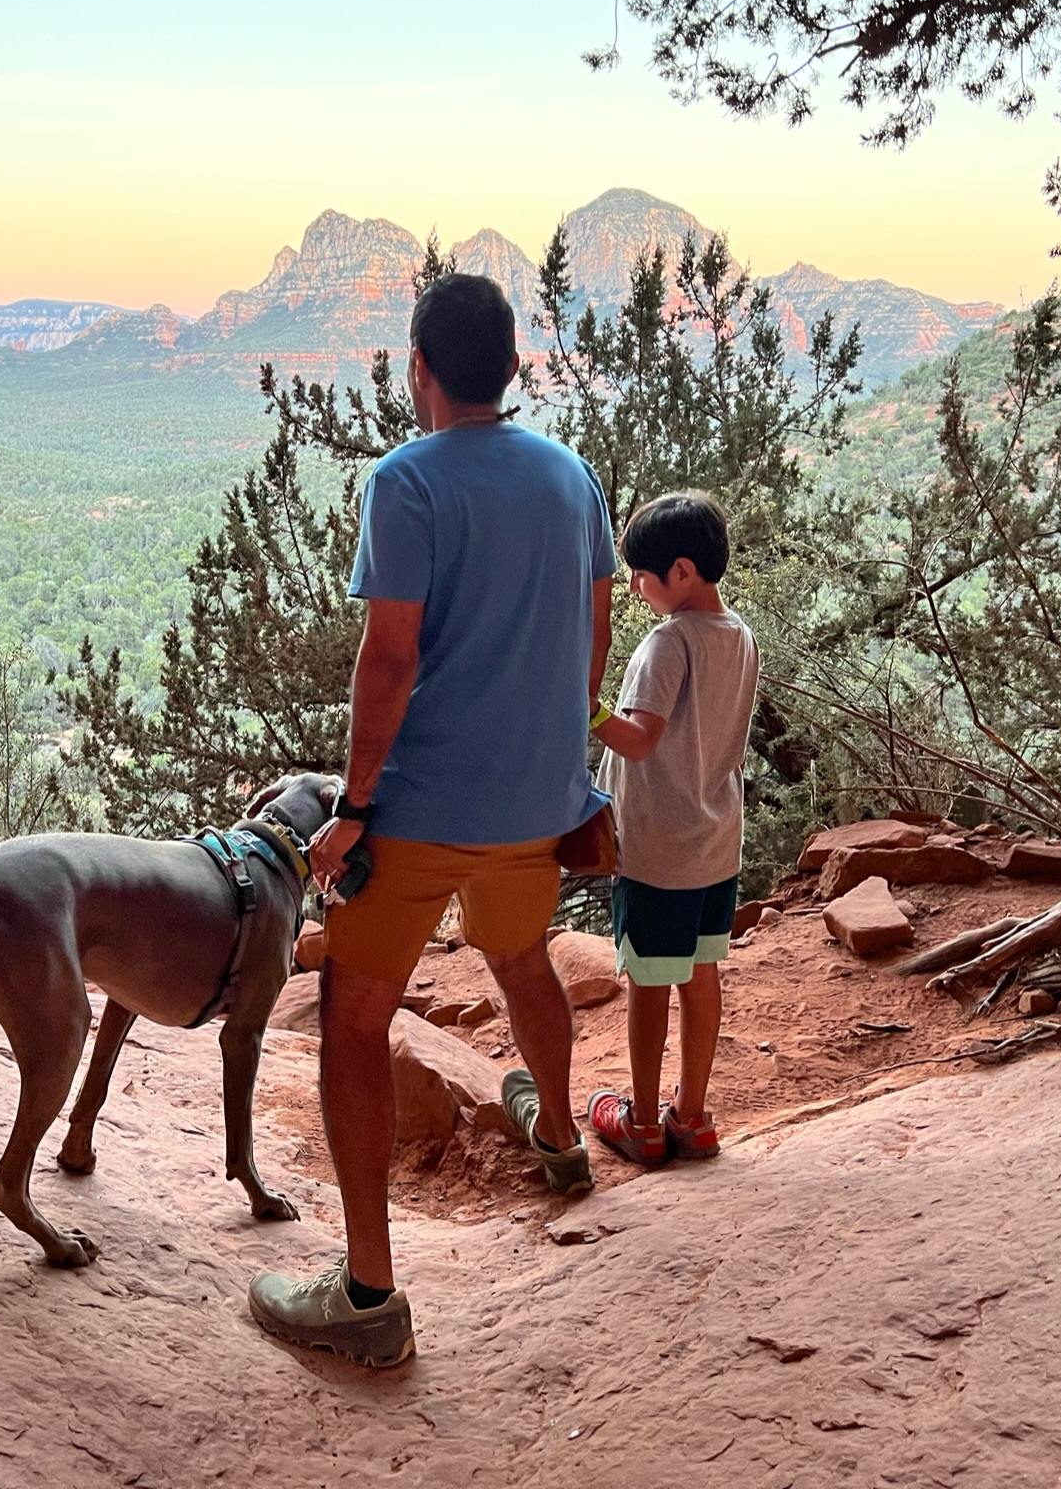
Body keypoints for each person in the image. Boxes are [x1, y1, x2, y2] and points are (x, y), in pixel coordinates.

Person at [246, 273, 616, 1368]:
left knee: (354, 1021)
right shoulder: (571, 477)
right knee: (523, 961)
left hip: (420, 811)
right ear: (512, 366)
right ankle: (557, 1137)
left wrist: (356, 805)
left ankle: (366, 1293)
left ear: (420, 368)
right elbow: (591, 635)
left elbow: (390, 658)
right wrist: (563, 761)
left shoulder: (406, 481)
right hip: (537, 802)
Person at [585, 491, 759, 1166]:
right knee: (702, 970)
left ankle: (643, 1122)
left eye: (642, 573)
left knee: (648, 981)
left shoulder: (668, 642)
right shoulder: (736, 634)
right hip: (714, 841)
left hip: (657, 846)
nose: (634, 585)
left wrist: (586, 708)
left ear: (680, 571)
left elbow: (637, 741)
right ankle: (692, 1116)